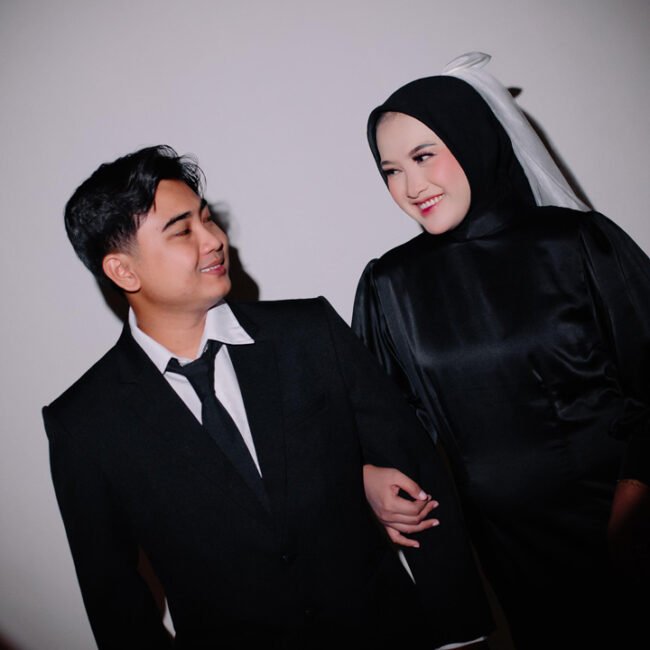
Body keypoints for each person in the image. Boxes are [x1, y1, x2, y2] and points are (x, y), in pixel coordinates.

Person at [43, 145, 493, 649]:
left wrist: (460, 633)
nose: (215, 240)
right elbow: (114, 600)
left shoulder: (310, 332)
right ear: (124, 271)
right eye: (182, 230)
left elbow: (416, 470)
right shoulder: (83, 423)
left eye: (207, 219)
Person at [355, 53, 650, 649]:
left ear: (475, 141)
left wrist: (637, 495)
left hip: (628, 512)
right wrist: (367, 476)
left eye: (423, 156)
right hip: (511, 549)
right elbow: (379, 426)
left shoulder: (577, 241)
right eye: (391, 170)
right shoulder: (389, 285)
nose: (410, 187)